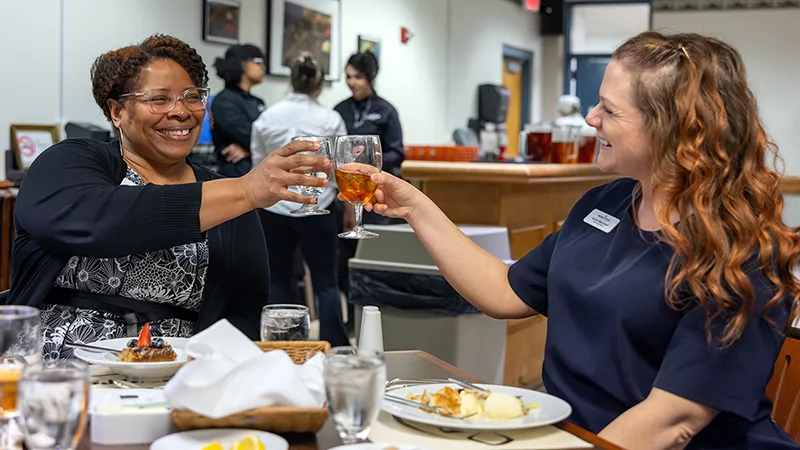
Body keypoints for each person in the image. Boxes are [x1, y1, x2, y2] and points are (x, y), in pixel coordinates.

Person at [348, 31, 800, 449]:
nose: (590, 119)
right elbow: (505, 291)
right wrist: (413, 206)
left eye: (610, 109)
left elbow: (672, 419)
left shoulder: (744, 251)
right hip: (575, 436)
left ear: (675, 129)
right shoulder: (603, 204)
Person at [5, 35, 330, 361]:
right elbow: (97, 222)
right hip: (56, 367)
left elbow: (243, 312)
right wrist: (245, 189)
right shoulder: (71, 162)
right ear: (117, 111)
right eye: (159, 99)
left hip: (174, 374)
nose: (181, 112)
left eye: (193, 97)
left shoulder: (228, 199)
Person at [250, 53, 350, 347]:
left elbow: (259, 165)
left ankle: (280, 345)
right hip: (318, 205)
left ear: (291, 81)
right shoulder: (330, 118)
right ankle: (336, 346)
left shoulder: (267, 117)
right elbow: (339, 167)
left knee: (277, 280)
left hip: (275, 206)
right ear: (319, 85)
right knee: (326, 283)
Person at [334, 51, 404, 179]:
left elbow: (397, 154)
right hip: (346, 180)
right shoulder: (339, 109)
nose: (352, 82)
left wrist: (369, 157)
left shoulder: (387, 111)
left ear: (371, 76)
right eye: (348, 77)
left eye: (358, 77)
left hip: (376, 181)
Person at [210, 44, 266, 177]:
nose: (263, 67)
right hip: (235, 171)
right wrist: (257, 148)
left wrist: (248, 151)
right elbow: (251, 136)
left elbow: (266, 136)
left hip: (257, 167)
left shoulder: (258, 102)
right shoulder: (224, 101)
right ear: (241, 63)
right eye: (258, 62)